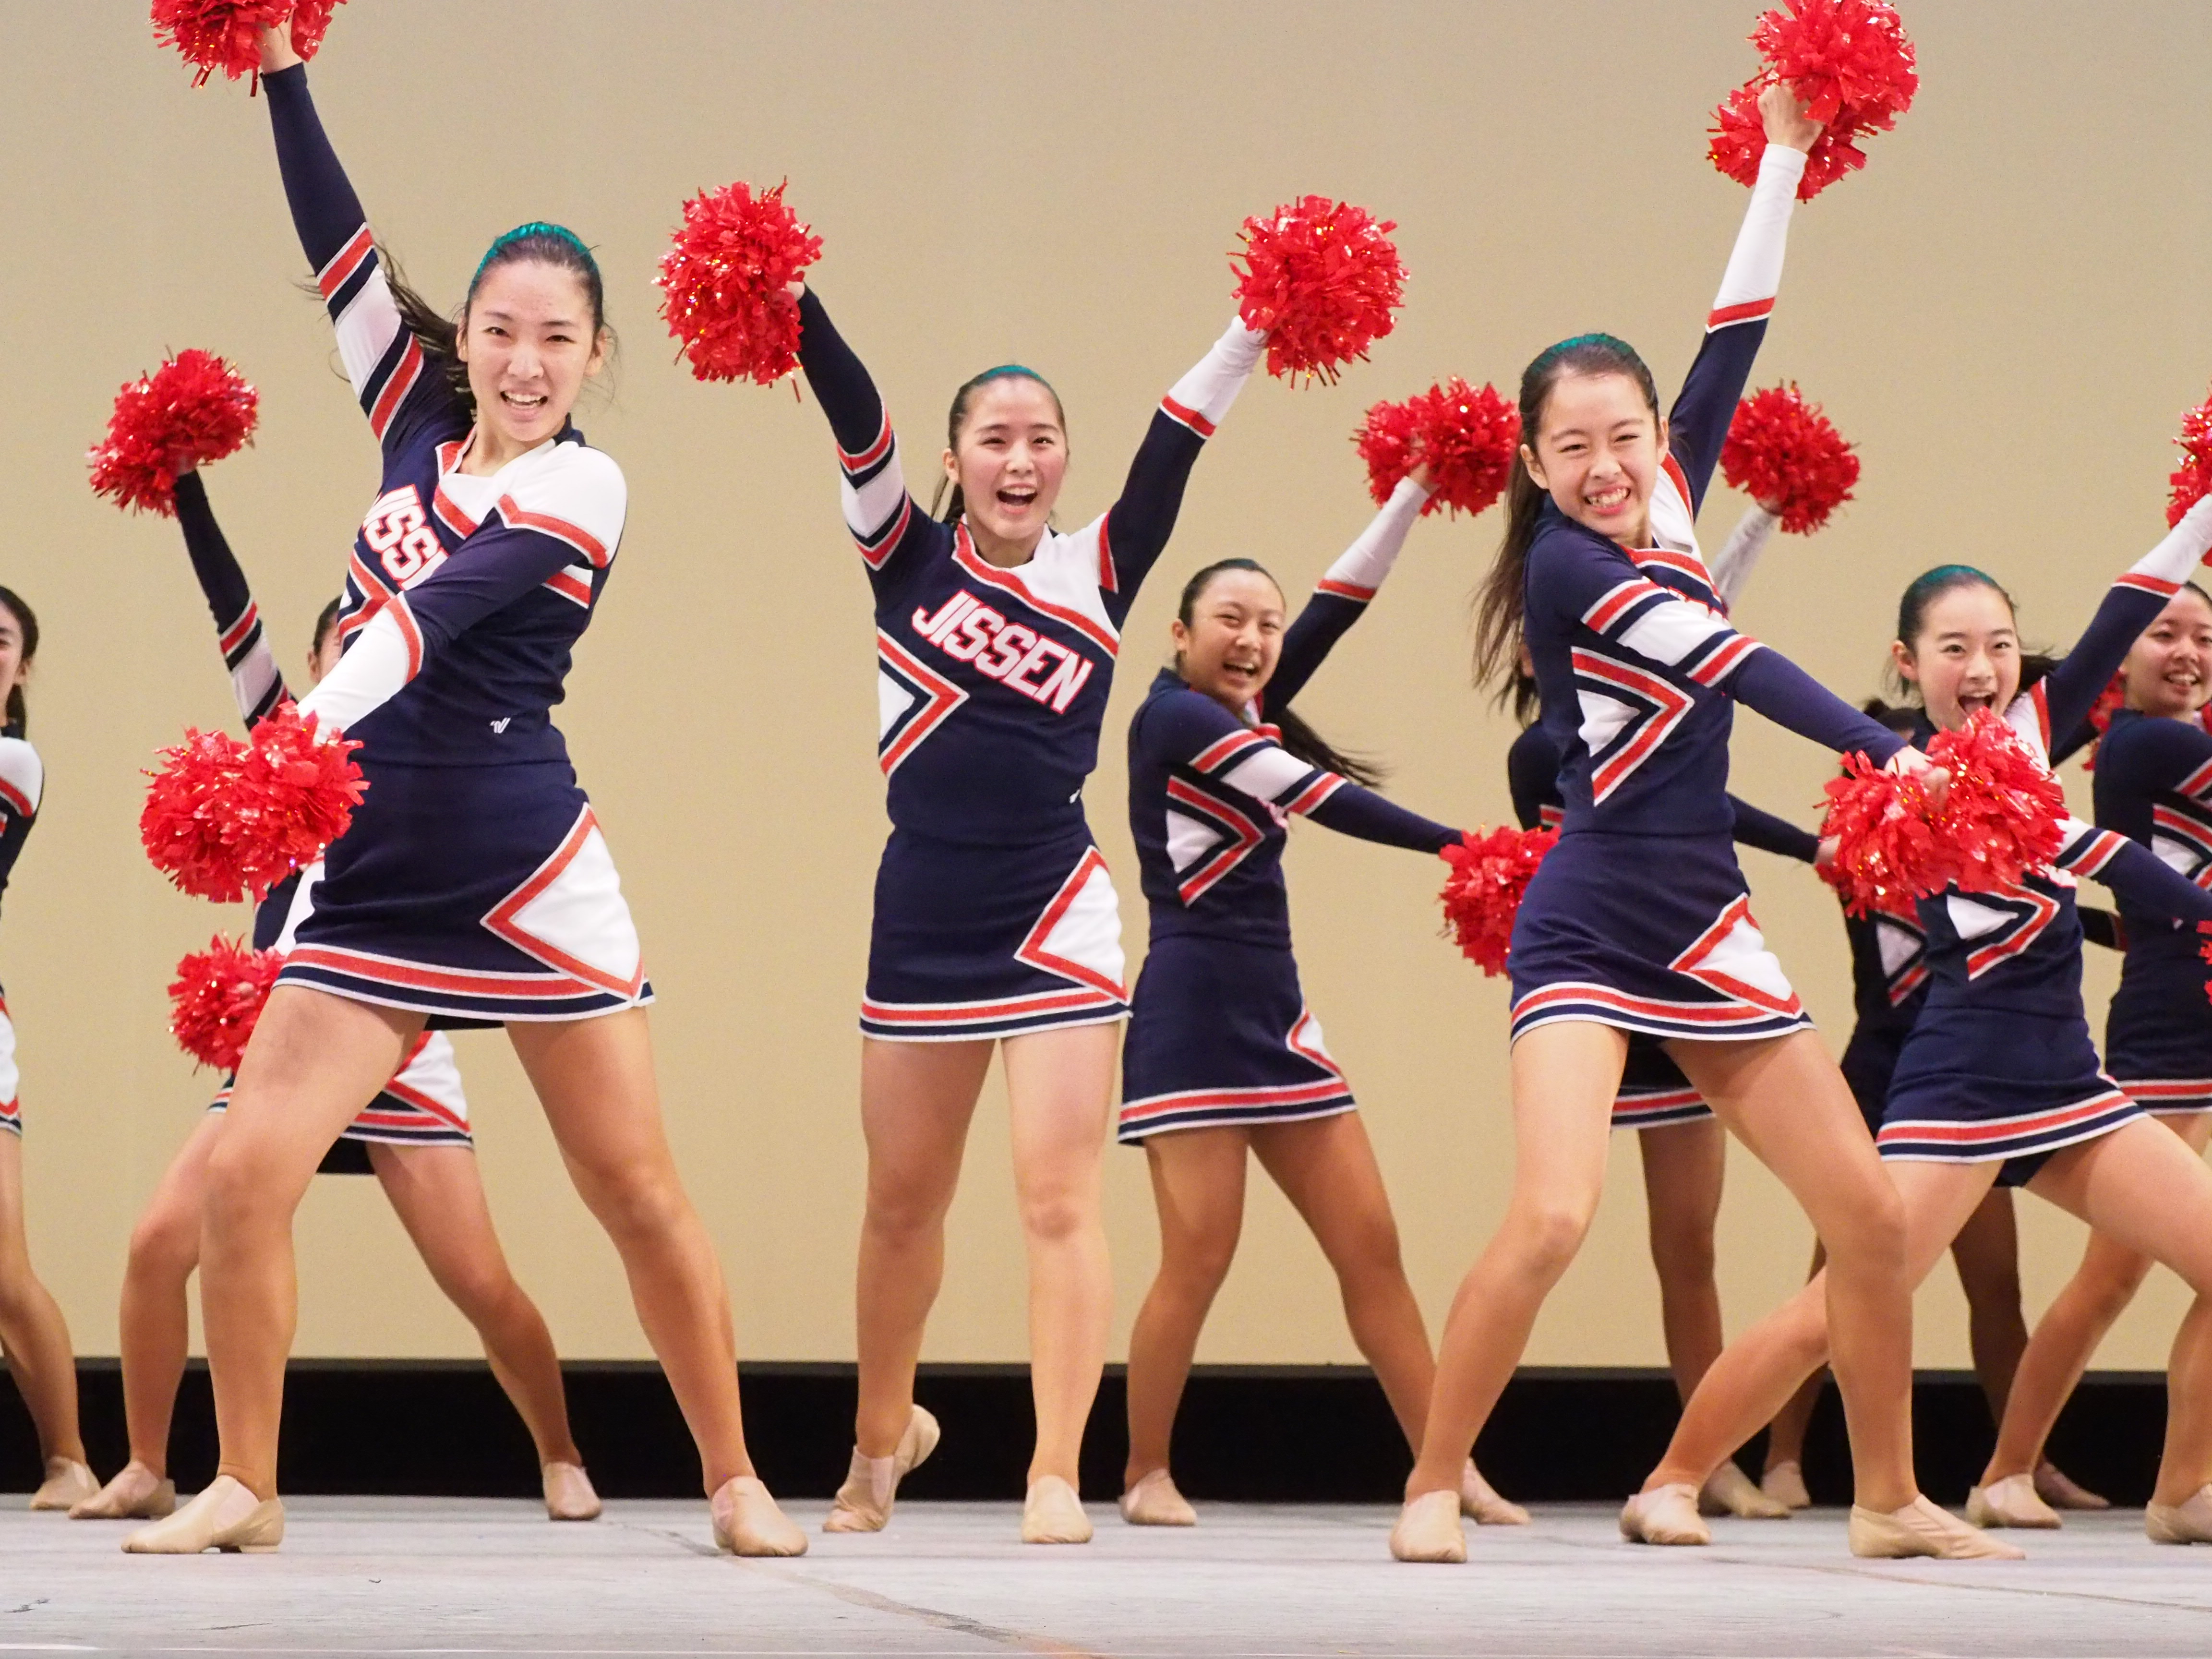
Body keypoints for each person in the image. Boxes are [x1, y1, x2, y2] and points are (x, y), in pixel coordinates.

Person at [122, 24, 801, 1556]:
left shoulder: (584, 485)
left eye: (557, 338)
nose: (524, 361)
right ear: (471, 339)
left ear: (597, 355)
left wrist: (293, 737)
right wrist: (279, 63)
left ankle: (738, 1481)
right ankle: (246, 1486)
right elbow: (338, 250)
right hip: (373, 877)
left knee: (634, 1192)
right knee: (245, 1178)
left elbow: (418, 627)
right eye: (501, 330)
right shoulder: (413, 428)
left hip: (525, 873)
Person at [1389, 85, 1973, 1565]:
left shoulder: (1668, 500)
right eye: (1572, 447)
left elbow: (1735, 332)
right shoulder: (1568, 573)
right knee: (1553, 1216)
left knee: (1872, 1222)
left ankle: (1878, 1500)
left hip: (1707, 921)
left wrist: (1783, 151)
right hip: (1590, 923)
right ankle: (1431, 1484)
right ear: (1534, 467)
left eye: (1627, 439)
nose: (1606, 466)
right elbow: (1726, 658)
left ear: (1658, 441)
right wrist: (1884, 752)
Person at [790, 255, 1267, 1543]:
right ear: (953, 459)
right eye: (994, 439)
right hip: (923, 917)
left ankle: (1054, 1470)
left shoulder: (1100, 566)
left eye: (1041, 438)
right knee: (902, 1208)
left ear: (1064, 460)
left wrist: (1255, 321)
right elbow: (852, 411)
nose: (1019, 458)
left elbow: (1178, 438)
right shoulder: (902, 552)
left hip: (1054, 911)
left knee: (1059, 1200)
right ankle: (878, 1449)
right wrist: (791, 303)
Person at [1635, 503, 2212, 1556]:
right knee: (1834, 1310)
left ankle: (2182, 1490)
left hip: (2069, 1086)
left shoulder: (2035, 732)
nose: (1981, 668)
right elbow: (2086, 855)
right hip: (1961, 1091)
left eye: (1999, 645)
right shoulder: (1904, 776)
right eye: (1953, 649)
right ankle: (1671, 1479)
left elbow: (2122, 611)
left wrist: (2202, 506)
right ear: (1909, 663)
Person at [73, 466, 596, 1525]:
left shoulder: (434, 744)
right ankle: (147, 1465)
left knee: (479, 1282)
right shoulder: (284, 733)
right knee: (160, 1241)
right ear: (321, 664)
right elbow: (232, 614)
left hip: (401, 1049)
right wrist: (185, 488)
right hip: (292, 1042)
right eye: (340, 647)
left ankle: (562, 1453)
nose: (355, 659)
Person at [1117, 473, 1521, 1528]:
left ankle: (1446, 1468)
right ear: (1180, 634)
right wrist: (1469, 847)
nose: (1253, 640)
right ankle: (1145, 1471)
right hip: (1192, 1017)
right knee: (1198, 1259)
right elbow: (1314, 794)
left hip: (1278, 1017)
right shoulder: (1174, 720)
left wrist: (1420, 485)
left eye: (1267, 624)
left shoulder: (1248, 703)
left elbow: (1343, 598)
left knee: (1371, 1249)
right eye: (1229, 620)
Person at [1505, 499, 1822, 1521]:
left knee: (1691, 1246)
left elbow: (1694, 618)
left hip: (1684, 986)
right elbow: (1690, 640)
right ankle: (1449, 1465)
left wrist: (1760, 517)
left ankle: (1709, 1459)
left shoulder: (1660, 681)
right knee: (1560, 1220)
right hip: (1605, 985)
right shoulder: (1544, 750)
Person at [1757, 701, 2106, 1516]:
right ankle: (1781, 1457)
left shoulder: (1976, 850)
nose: (1932, 780)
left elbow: (2024, 897)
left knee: (1996, 1286)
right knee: (1836, 1283)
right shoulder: (1865, 852)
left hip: (1964, 1083)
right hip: (1879, 1076)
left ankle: (2026, 1464)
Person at [1967, 581, 2212, 1537]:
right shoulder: (2147, 743)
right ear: (2122, 664)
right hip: (2172, 1026)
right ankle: (2015, 1472)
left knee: (2132, 1276)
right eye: (2164, 635)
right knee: (2112, 1275)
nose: (2187, 653)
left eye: (2204, 637)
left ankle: (2180, 1484)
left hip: (2184, 1005)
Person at [0, 587, 93, 1512]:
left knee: (2, 1271)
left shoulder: (14, 763)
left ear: (21, 668)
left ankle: (68, 1458)